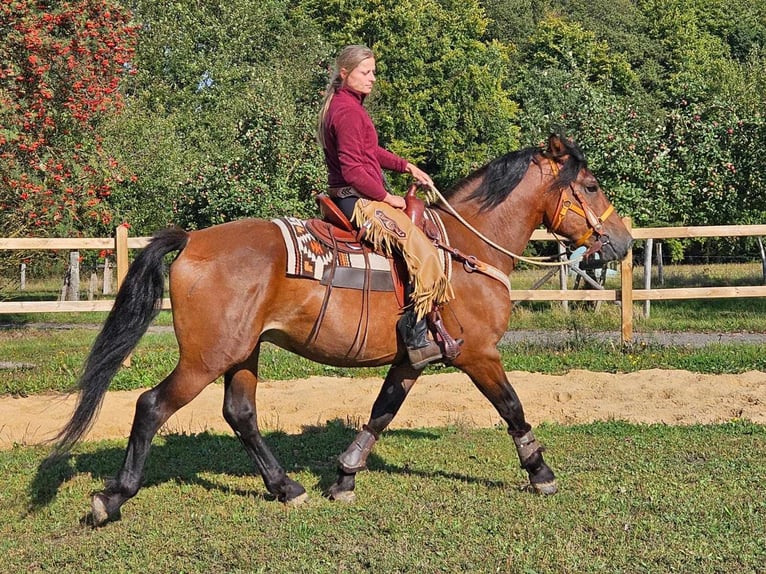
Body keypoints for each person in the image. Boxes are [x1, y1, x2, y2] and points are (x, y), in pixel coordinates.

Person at [317, 44, 457, 369]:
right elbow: (354, 171)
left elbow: (370, 151)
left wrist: (406, 166)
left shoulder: (346, 106)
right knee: (420, 246)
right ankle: (417, 335)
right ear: (344, 73)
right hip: (357, 201)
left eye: (373, 72)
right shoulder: (348, 112)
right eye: (365, 72)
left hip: (355, 196)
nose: (372, 79)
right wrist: (387, 197)